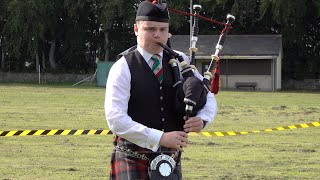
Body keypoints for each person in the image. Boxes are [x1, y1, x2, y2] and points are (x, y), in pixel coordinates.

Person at [104, 1, 217, 179]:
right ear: (136, 29)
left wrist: (203, 119)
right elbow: (115, 119)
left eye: (163, 30)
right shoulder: (123, 67)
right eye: (150, 29)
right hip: (132, 156)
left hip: (169, 158)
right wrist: (159, 138)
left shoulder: (181, 61)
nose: (157, 35)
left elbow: (206, 95)